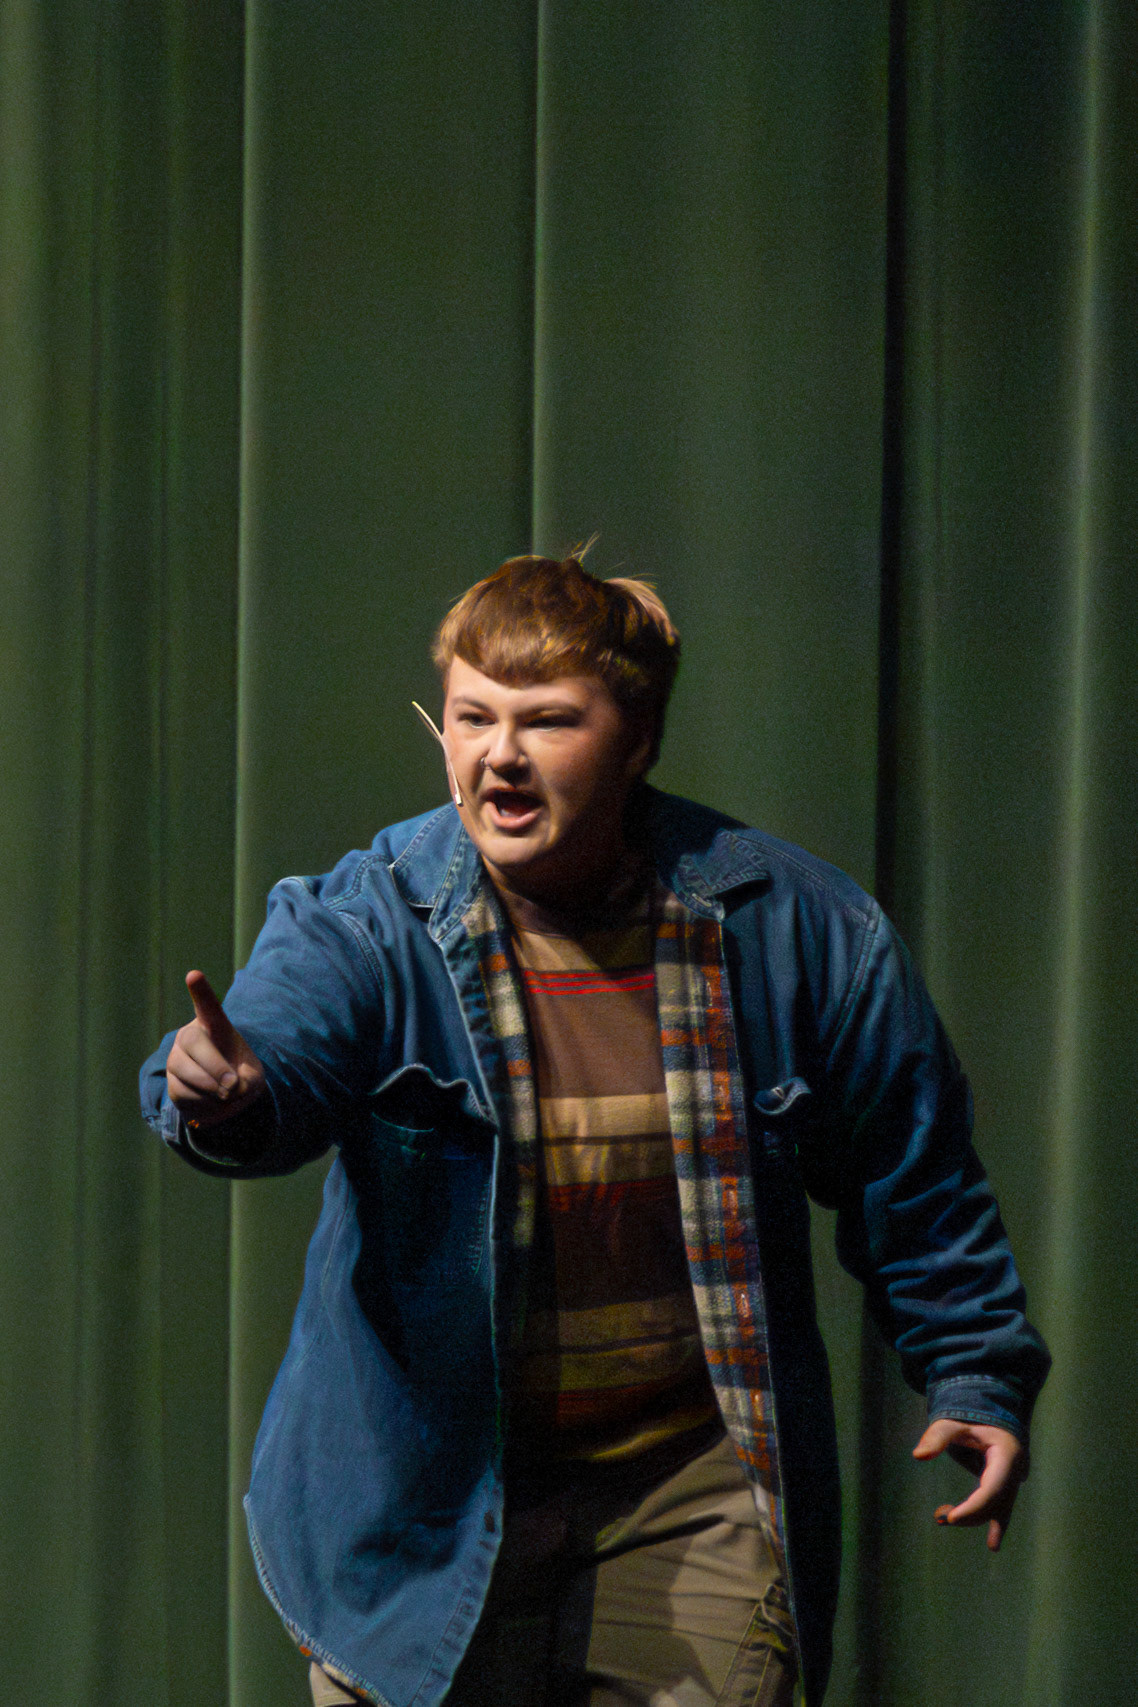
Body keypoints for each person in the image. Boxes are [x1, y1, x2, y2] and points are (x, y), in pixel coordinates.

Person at [140, 552, 1050, 1707]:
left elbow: (909, 1174)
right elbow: (277, 1055)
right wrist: (226, 1087)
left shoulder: (795, 930)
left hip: (686, 1489)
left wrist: (971, 1371)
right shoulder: (371, 919)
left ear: (637, 740)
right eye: (471, 717)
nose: (498, 755)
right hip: (429, 1497)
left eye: (547, 721)